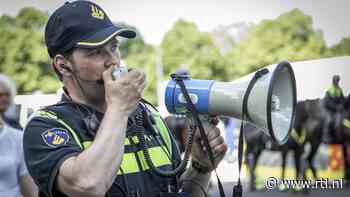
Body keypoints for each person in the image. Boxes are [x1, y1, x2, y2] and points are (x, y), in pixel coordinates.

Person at [23, 1, 227, 197]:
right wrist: (119, 109)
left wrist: (200, 168)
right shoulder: (45, 126)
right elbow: (88, 185)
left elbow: (179, 192)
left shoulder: (150, 117)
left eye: (113, 47)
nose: (112, 60)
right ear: (63, 65)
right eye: (95, 52)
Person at [0, 74, 38, 197]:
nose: (4, 98)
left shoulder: (16, 133)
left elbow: (26, 182)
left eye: (7, 94)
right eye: (0, 95)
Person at [322, 75, 345, 142]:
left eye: (338, 80)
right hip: (329, 110)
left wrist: (342, 105)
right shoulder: (329, 91)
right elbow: (327, 102)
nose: (337, 82)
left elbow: (342, 99)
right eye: (336, 80)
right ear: (333, 81)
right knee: (329, 121)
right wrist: (336, 107)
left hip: (338, 111)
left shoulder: (339, 90)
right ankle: (325, 136)